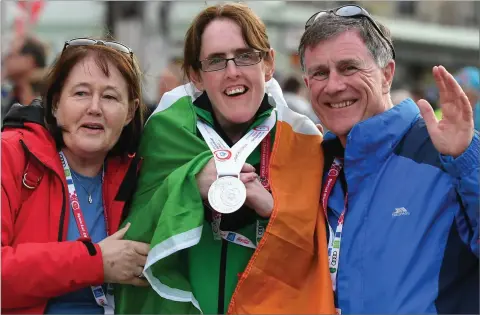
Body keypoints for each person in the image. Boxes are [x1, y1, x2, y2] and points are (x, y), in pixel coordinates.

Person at [115, 3, 335, 314]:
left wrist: (275, 212)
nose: (233, 72)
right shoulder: (164, 134)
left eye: (245, 55)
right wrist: (188, 184)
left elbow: (319, 258)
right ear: (196, 76)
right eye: (216, 61)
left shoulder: (303, 143)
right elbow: (133, 235)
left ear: (269, 64)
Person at [299, 4, 478, 314]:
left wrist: (469, 160)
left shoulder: (447, 152)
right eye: (319, 73)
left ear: (387, 74)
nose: (333, 85)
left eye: (349, 67)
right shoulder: (314, 165)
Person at [1, 37, 150, 314]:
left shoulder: (141, 174)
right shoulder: (11, 156)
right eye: (81, 93)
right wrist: (94, 264)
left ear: (130, 111)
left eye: (109, 96)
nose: (94, 107)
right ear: (56, 104)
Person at [1, 35, 47, 120]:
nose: (6, 59)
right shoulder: (11, 92)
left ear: (29, 60)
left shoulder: (45, 96)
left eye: (12, 54)